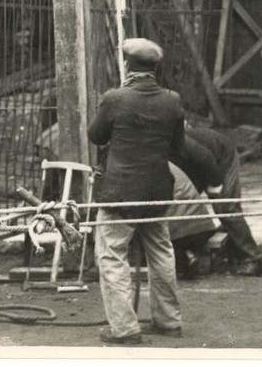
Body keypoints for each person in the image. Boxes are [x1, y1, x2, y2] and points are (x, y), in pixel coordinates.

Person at [87, 37, 192, 344]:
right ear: (155, 67)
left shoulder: (115, 98)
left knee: (111, 256)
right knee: (161, 252)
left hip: (120, 193)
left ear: (126, 64)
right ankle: (169, 322)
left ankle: (124, 329)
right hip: (157, 190)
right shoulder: (172, 100)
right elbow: (178, 149)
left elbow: (96, 136)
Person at [175, 124, 262, 276]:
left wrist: (215, 184)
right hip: (196, 168)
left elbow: (206, 158)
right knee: (180, 207)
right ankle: (190, 257)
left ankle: (252, 259)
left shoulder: (179, 142)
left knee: (226, 208)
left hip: (221, 156)